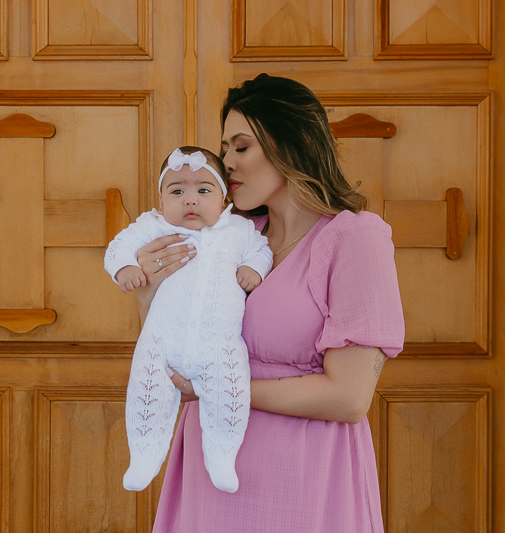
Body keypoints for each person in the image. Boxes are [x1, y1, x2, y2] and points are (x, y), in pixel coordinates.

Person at [132, 75, 405, 533]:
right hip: (211, 475)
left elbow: (350, 397)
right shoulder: (231, 240)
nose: (227, 163)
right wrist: (148, 288)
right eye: (225, 149)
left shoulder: (355, 238)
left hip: (303, 481)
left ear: (292, 145)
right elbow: (175, 361)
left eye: (242, 147)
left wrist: (220, 391)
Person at [104, 146, 273, 493]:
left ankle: (222, 457)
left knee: (230, 395)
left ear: (224, 198)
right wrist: (125, 268)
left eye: (203, 190)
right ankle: (144, 457)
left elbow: (262, 250)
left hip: (220, 345)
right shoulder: (152, 225)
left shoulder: (239, 229)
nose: (190, 200)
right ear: (161, 199)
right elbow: (117, 247)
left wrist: (252, 268)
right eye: (177, 191)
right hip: (161, 340)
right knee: (146, 393)